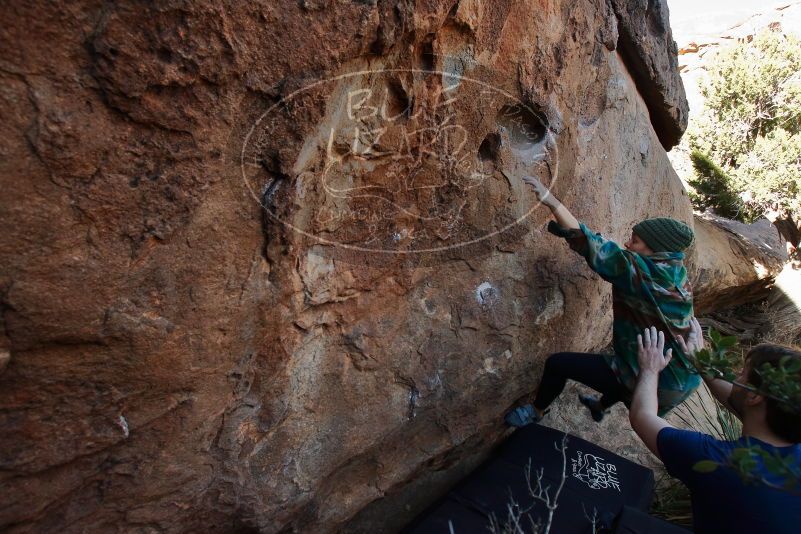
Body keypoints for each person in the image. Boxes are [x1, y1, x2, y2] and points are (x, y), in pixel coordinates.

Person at [505, 174, 699, 426]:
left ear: (656, 250)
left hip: (661, 379)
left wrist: (551, 201)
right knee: (621, 368)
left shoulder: (642, 273)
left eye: (636, 241)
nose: (628, 243)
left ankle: (535, 412)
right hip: (684, 374)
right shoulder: (677, 272)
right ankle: (599, 407)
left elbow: (588, 242)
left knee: (559, 364)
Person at [632, 319, 801, 533]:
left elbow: (642, 416)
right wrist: (702, 362)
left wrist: (650, 368)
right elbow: (738, 399)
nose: (736, 378)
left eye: (742, 374)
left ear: (755, 396)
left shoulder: (718, 462)